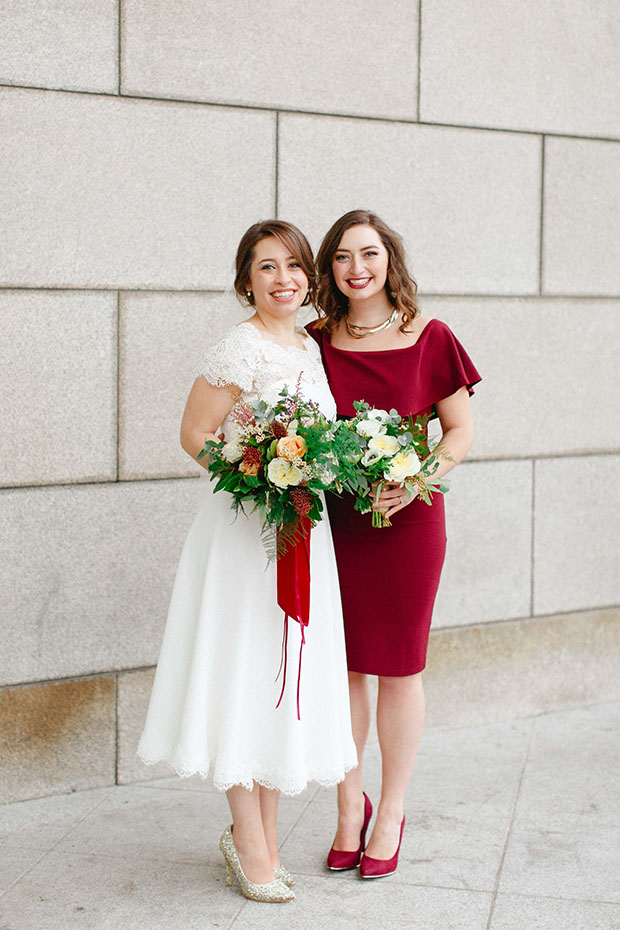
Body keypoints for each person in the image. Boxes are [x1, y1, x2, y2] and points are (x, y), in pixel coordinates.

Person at [138, 220, 357, 903]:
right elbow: (194, 434)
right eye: (267, 268)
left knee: (279, 671)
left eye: (293, 266)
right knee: (243, 668)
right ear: (247, 280)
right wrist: (251, 474)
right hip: (244, 534)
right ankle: (251, 840)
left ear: (308, 278)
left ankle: (256, 832)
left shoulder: (311, 350)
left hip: (301, 534)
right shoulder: (239, 348)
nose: (283, 279)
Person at [307, 209, 481, 879]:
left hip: (409, 524)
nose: (357, 268)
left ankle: (392, 810)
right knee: (344, 667)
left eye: (370, 254)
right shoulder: (316, 342)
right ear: (331, 269)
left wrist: (416, 482)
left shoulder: (430, 336)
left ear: (390, 261)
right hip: (338, 524)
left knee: (400, 668)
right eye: (344, 257)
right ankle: (349, 805)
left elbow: (459, 432)